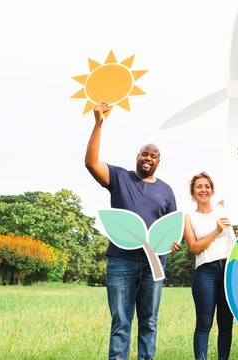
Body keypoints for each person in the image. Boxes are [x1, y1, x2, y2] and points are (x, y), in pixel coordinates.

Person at [85, 102, 180, 360]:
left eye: (153, 156)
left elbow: (172, 229)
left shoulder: (167, 191)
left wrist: (173, 242)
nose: (148, 158)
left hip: (154, 265)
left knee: (149, 322)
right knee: (121, 322)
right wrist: (99, 123)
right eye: (144, 154)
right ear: (137, 157)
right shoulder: (120, 178)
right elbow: (91, 162)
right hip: (121, 261)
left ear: (159, 161)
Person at [183, 143, 238, 360]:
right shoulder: (189, 217)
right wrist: (216, 230)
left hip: (228, 270)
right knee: (204, 323)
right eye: (199, 187)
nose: (203, 190)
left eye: (207, 186)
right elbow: (194, 248)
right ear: (193, 192)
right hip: (205, 272)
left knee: (226, 323)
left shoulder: (224, 208)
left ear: (212, 190)